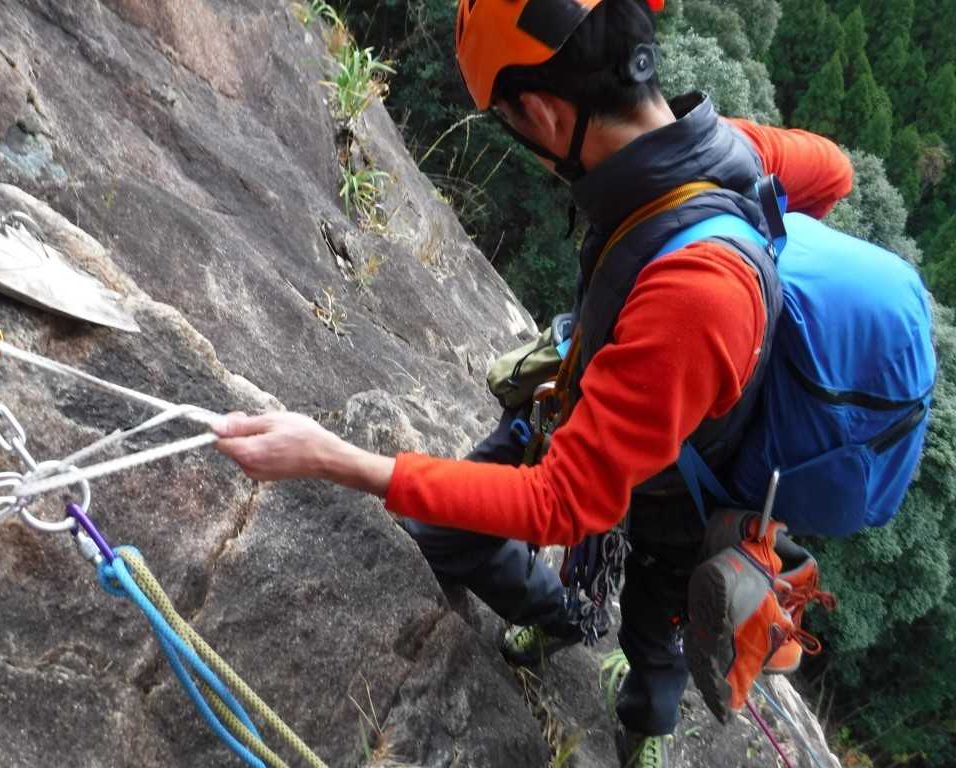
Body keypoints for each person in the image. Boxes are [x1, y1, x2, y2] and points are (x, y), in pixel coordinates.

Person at [214, 0, 853, 764]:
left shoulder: (697, 292)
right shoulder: (722, 151)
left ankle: (642, 729)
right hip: (604, 390)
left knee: (656, 630)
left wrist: (335, 459)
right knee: (452, 531)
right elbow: (834, 172)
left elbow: (563, 505)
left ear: (543, 114)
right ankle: (561, 618)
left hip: (681, 481)